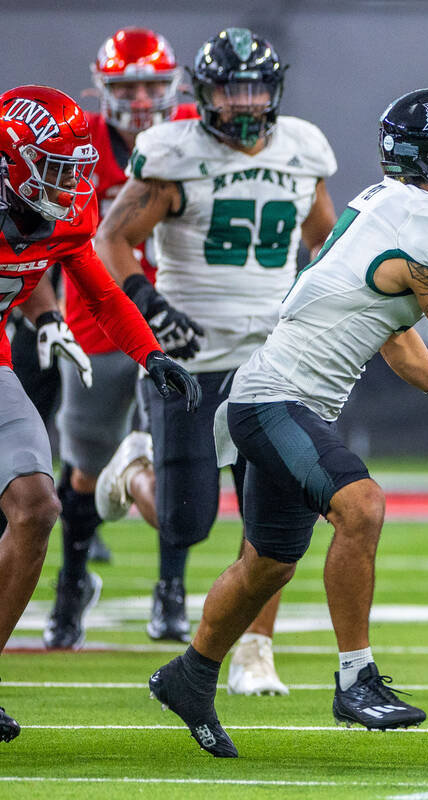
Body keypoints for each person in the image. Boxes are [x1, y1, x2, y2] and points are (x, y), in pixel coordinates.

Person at [146, 87, 428, 758]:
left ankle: (191, 673)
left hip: (274, 398)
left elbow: (394, 336)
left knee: (268, 565)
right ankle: (356, 679)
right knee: (362, 506)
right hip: (273, 401)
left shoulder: (386, 208)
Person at [94, 27, 338, 696]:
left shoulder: (301, 152)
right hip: (188, 357)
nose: (244, 102)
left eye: (255, 87)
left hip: (269, 362)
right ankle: (133, 468)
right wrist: (147, 298)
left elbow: (327, 242)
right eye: (230, 90)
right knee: (186, 522)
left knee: (277, 514)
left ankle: (256, 651)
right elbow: (112, 238)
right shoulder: (174, 156)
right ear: (204, 95)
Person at [0, 84, 199, 743]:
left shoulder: (60, 216)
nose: (71, 184)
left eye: (74, 169)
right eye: (55, 168)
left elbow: (102, 291)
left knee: (38, 505)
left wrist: (150, 355)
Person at [41, 27, 199, 651]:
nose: (138, 99)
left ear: (174, 88)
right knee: (82, 467)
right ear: (101, 89)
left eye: (150, 85)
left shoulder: (195, 130)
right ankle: (71, 583)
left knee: (175, 461)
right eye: (126, 86)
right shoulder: (77, 139)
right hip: (96, 317)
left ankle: (171, 592)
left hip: (175, 315)